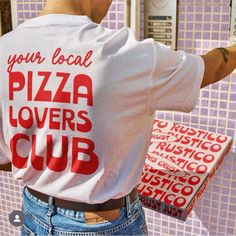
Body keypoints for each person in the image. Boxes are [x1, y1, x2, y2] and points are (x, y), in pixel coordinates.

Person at [0, 0, 235, 235]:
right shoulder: (125, 52)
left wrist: (50, 165)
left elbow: (4, 160)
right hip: (103, 223)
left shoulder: (4, 50)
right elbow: (211, 68)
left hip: (33, 213)